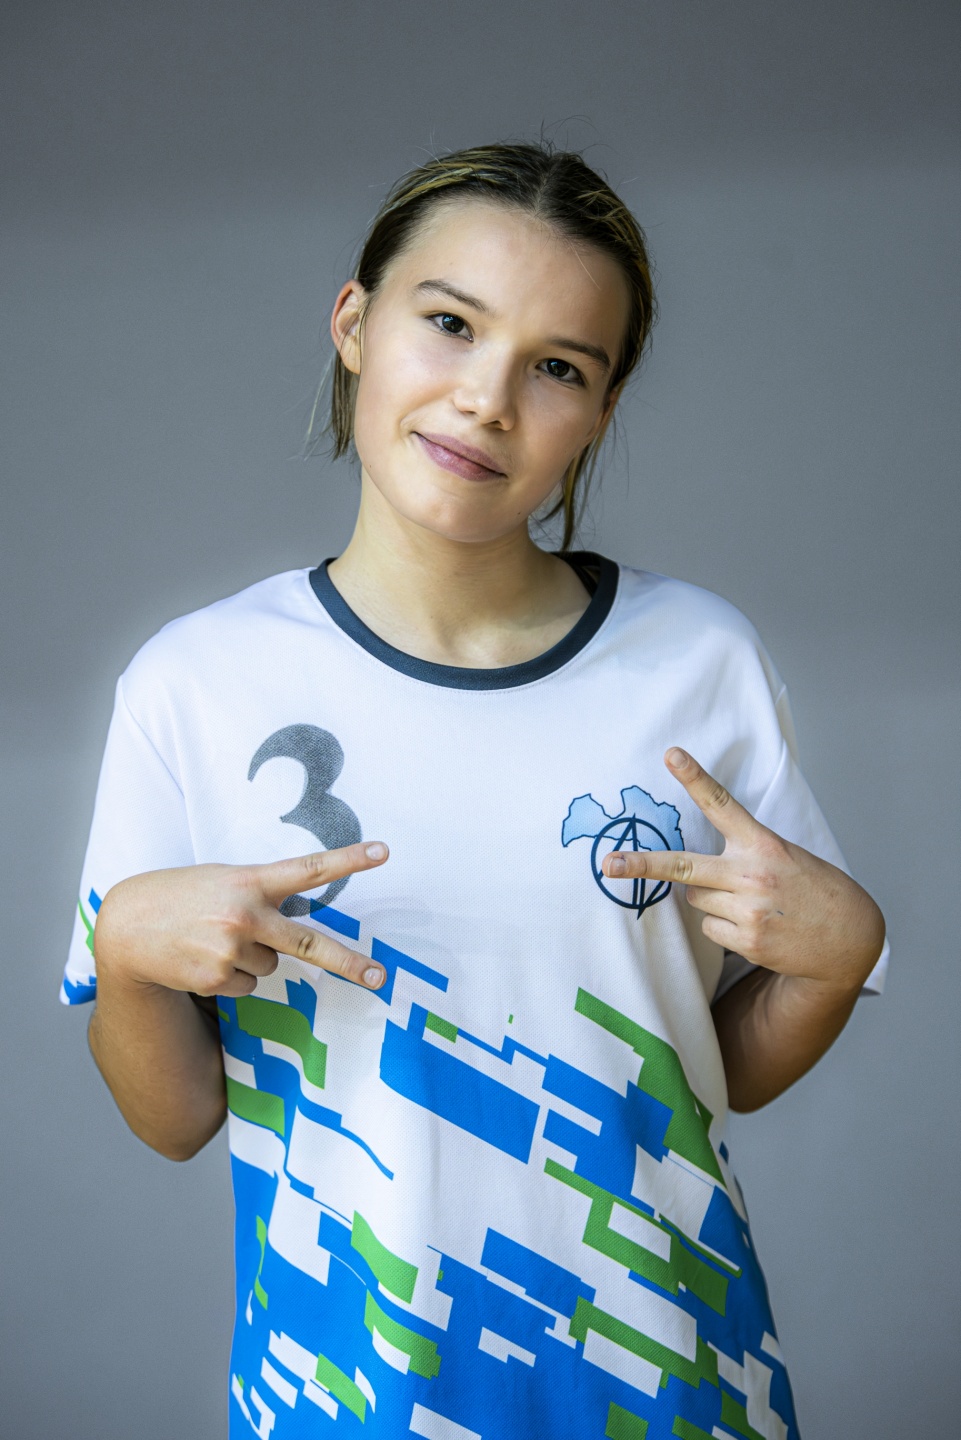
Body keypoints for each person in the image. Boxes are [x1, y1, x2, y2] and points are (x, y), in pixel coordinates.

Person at [62, 140, 887, 1440]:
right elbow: (174, 1122)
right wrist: (124, 954)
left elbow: (706, 1071)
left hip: (671, 1385)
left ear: (601, 410)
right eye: (449, 323)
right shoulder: (194, 684)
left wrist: (837, 963)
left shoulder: (700, 662)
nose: (487, 397)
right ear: (355, 322)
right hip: (346, 1393)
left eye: (558, 366)